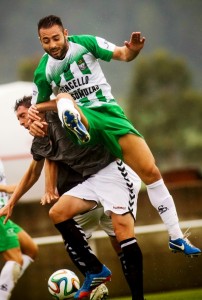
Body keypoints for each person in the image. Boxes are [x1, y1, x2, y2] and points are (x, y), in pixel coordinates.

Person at [29, 14, 200, 257]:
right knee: (65, 100)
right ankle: (79, 126)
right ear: (40, 41)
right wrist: (40, 117)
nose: (52, 45)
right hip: (83, 116)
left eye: (55, 38)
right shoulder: (42, 70)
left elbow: (123, 54)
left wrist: (135, 50)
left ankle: (175, 236)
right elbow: (38, 106)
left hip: (110, 115)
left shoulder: (86, 43)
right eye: (45, 41)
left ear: (65, 33)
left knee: (151, 172)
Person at [0, 96, 144, 300]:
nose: (22, 123)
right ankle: (95, 272)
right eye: (19, 120)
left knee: (123, 238)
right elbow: (34, 172)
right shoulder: (41, 137)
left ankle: (133, 294)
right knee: (58, 213)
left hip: (112, 175)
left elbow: (66, 101)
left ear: (35, 109)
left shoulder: (60, 114)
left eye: (23, 116)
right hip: (90, 185)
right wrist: (13, 202)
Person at [0, 159, 38, 300]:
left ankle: (5, 285)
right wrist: (6, 188)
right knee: (15, 260)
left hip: (3, 213)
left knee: (31, 249)